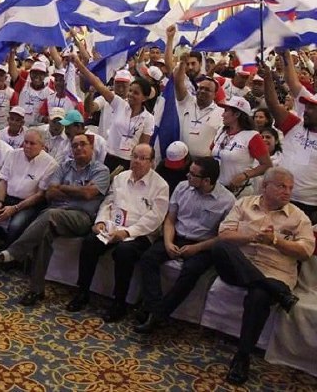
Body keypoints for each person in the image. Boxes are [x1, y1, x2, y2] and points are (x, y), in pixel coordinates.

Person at [212, 167, 315, 385]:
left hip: (276, 271)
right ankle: (271, 288)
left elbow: (306, 251)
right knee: (220, 247)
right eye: (281, 186)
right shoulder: (244, 204)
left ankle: (242, 357)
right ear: (265, 186)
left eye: (290, 188)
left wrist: (276, 241)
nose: (287, 192)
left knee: (258, 295)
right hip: (240, 266)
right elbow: (225, 233)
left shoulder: (298, 217)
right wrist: (251, 237)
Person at [0, 134, 110, 306]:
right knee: (44, 232)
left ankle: (14, 252)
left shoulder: (100, 170)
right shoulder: (65, 166)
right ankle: (36, 290)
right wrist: (78, 189)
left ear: (91, 148)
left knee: (48, 215)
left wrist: (63, 188)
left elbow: (89, 194)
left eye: (83, 144)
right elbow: (50, 192)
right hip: (56, 213)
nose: (78, 148)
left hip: (81, 217)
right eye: (75, 146)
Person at [66, 143, 169, 322]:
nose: (136, 161)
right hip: (113, 227)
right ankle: (82, 292)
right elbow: (108, 202)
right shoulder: (121, 177)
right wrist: (100, 222)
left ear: (152, 162)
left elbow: (154, 219)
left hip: (140, 234)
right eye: (134, 156)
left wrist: (127, 233)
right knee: (90, 242)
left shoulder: (160, 186)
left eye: (142, 158)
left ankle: (119, 302)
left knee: (124, 252)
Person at [135, 157, 235, 333]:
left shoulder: (227, 201)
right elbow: (170, 220)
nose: (188, 176)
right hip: (176, 235)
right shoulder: (182, 187)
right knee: (148, 258)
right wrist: (167, 242)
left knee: (191, 271)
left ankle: (157, 314)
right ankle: (155, 307)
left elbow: (223, 237)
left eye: (193, 175)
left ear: (207, 181)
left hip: (203, 244)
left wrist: (196, 248)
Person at [73, 54, 155, 172]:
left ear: (145, 98)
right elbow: (98, 84)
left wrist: (136, 166)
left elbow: (143, 147)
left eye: (136, 93)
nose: (131, 95)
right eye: (130, 91)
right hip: (109, 157)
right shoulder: (119, 104)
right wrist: (80, 65)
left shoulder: (148, 118)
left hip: (129, 163)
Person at [0, 129, 58, 246]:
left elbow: (40, 195)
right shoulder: (13, 154)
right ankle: (7, 243)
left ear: (42, 146)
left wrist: (15, 208)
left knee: (15, 226)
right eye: (25, 142)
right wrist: (0, 202)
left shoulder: (50, 164)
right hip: (7, 197)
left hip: (29, 204)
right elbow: (3, 181)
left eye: (32, 143)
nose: (27, 146)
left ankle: (8, 254)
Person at [261, 63, 317, 223]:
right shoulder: (294, 124)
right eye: (307, 106)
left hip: (308, 206)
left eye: (313, 108)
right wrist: (268, 78)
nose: (306, 110)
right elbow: (273, 104)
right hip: (277, 199)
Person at [212, 96, 271, 197]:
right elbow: (212, 153)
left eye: (226, 111)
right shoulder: (221, 131)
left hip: (238, 192)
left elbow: (267, 165)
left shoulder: (252, 136)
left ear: (237, 114)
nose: (222, 114)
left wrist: (244, 176)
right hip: (217, 189)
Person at [85, 69, 132, 142]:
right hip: (104, 145)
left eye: (124, 86)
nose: (120, 89)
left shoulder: (134, 102)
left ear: (130, 86)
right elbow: (90, 108)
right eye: (118, 86)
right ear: (113, 84)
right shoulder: (106, 97)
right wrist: (90, 94)